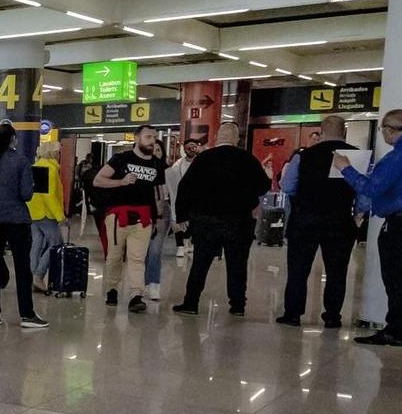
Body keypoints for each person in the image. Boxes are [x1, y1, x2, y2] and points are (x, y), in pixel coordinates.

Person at [332, 108, 402, 346]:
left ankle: (394, 331)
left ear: (390, 130)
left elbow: (372, 188)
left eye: (383, 129)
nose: (383, 133)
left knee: (398, 279)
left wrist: (345, 168)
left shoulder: (398, 156)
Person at [172, 123, 270, 317]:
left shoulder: (203, 159)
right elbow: (263, 186)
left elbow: (185, 188)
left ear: (217, 137)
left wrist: (183, 215)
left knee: (200, 262)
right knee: (238, 264)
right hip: (238, 222)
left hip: (206, 222)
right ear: (237, 139)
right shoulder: (247, 159)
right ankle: (237, 305)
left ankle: (191, 302)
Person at [278, 114, 361, 327]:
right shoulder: (356, 156)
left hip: (305, 220)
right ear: (344, 132)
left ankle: (293, 314)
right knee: (336, 272)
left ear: (321, 132)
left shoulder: (303, 156)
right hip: (339, 221)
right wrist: (358, 214)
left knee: (298, 269)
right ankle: (332, 316)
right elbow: (363, 192)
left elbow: (287, 186)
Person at [0, 122, 50, 330]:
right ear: (13, 139)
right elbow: (26, 194)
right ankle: (27, 314)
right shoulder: (20, 162)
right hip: (16, 221)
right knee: (22, 269)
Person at [93, 125, 168, 313]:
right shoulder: (121, 159)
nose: (152, 140)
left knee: (137, 258)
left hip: (143, 217)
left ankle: (136, 295)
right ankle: (112, 289)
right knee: (115, 256)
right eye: (148, 136)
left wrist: (157, 217)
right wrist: (121, 181)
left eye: (154, 137)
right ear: (136, 138)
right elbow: (98, 180)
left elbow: (158, 193)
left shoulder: (156, 164)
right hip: (118, 215)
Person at [28, 138, 65, 292]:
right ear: (53, 152)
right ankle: (39, 275)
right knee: (56, 244)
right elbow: (48, 195)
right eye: (58, 152)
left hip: (33, 212)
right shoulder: (49, 169)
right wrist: (60, 216)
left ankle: (32, 278)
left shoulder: (35, 167)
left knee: (36, 244)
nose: (59, 155)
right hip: (46, 213)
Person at [166, 137, 198, 260]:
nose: (191, 149)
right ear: (185, 149)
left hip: (196, 198)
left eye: (193, 146)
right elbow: (172, 179)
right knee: (178, 219)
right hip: (180, 197)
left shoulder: (201, 162)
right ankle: (180, 245)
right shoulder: (178, 164)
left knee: (193, 221)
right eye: (189, 147)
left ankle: (188, 241)